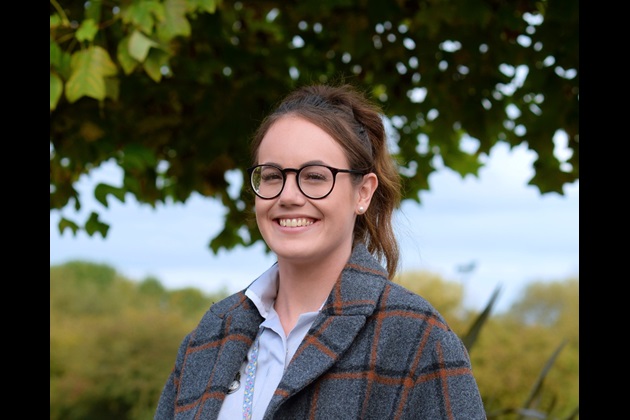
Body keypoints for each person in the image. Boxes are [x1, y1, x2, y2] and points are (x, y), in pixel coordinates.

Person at [154, 83, 487, 419]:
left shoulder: (417, 340)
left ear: (363, 193)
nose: (288, 196)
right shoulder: (211, 336)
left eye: (314, 176)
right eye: (272, 176)